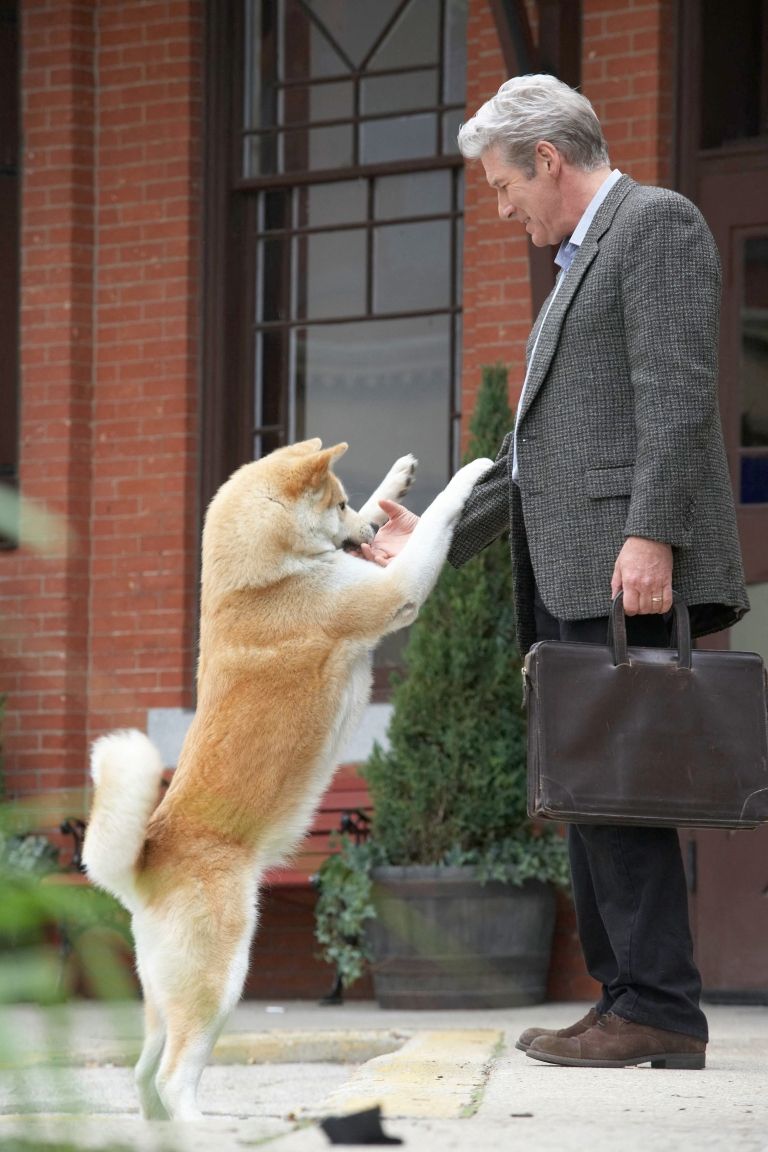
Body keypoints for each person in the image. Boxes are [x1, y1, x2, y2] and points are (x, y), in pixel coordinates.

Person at [361, 73, 749, 1069]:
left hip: (623, 563)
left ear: (548, 159)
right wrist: (437, 535)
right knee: (590, 789)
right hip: (577, 564)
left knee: (620, 790)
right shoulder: (578, 262)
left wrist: (652, 535)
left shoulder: (654, 225)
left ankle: (658, 1005)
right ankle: (630, 998)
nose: (502, 210)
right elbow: (538, 453)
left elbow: (676, 395)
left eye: (502, 187)